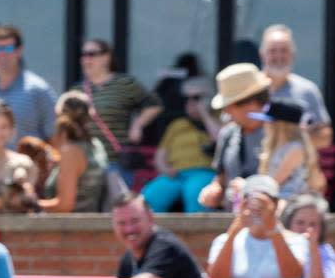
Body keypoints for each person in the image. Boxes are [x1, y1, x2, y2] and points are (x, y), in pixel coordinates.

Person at [207, 174, 310, 278]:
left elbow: (292, 274)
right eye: (249, 200)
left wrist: (273, 229)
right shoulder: (224, 240)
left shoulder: (296, 241)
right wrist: (234, 231)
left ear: (276, 205)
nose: (258, 207)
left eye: (267, 201)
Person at [75, 192, 207, 278]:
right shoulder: (129, 258)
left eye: (135, 221)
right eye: (122, 223)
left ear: (150, 218)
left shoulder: (165, 246)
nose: (129, 229)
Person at [70, 38, 161, 187]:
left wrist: (137, 124)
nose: (86, 59)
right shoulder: (76, 90)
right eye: (83, 54)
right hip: (87, 163)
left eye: (91, 54)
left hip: (116, 162)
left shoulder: (124, 83)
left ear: (106, 57)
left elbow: (155, 104)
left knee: (116, 207)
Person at [0, 26, 56, 145]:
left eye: (7, 48)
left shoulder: (38, 90)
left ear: (19, 51)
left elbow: (54, 135)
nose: (2, 54)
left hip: (27, 163)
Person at [141, 76, 220, 213]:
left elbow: (221, 139)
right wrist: (165, 169)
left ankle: (198, 234)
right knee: (150, 196)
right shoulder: (177, 125)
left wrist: (204, 113)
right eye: (186, 99)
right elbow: (160, 156)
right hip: (174, 175)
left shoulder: (218, 119)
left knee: (195, 192)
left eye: (196, 98)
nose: (190, 102)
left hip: (204, 172)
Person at [198, 63, 269, 210]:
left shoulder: (278, 135)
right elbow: (220, 180)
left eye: (230, 106)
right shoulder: (227, 134)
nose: (226, 113)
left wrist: (250, 189)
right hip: (233, 220)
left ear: (252, 103)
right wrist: (214, 191)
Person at [260, 24, 332, 148]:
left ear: (293, 54)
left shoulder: (308, 90)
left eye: (284, 50)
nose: (278, 56)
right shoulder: (249, 89)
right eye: (272, 50)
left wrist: (294, 140)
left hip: (294, 166)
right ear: (262, 54)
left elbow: (325, 137)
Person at [38, 92, 107, 213]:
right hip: (91, 225)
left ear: (59, 116)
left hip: (71, 228)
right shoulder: (97, 145)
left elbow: (65, 205)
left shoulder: (71, 152)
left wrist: (31, 205)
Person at [252, 99, 326, 200]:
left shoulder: (296, 148)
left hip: (290, 203)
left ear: (280, 125)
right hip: (273, 200)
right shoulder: (274, 146)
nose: (264, 124)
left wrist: (248, 187)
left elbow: (275, 182)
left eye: (269, 121)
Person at [282, 194, 335, 278]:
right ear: (289, 223)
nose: (307, 229)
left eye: (313, 224)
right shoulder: (278, 247)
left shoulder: (326, 252)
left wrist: (313, 249)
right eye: (300, 223)